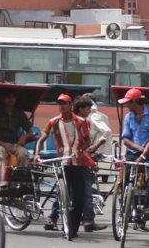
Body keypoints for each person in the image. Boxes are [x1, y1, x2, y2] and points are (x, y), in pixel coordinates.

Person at [35, 94, 95, 236]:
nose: (61, 106)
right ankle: (63, 222)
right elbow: (41, 138)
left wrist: (80, 150)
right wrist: (37, 154)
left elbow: (88, 141)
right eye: (59, 104)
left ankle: (73, 228)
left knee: (80, 198)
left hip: (79, 163)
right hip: (63, 163)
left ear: (70, 106)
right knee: (64, 194)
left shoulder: (81, 122)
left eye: (65, 104)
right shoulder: (53, 122)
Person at [119, 87, 149, 230]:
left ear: (136, 102)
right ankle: (125, 205)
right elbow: (125, 139)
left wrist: (144, 155)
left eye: (129, 103)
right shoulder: (128, 117)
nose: (127, 106)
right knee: (126, 178)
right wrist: (140, 150)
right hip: (134, 152)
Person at [72, 97, 108, 232]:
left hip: (73, 160)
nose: (89, 111)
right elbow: (80, 147)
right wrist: (91, 161)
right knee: (86, 191)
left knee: (68, 190)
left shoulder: (72, 121)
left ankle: (53, 217)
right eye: (87, 109)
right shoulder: (80, 123)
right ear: (81, 109)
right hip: (79, 161)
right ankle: (88, 220)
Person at [0, 91, 34, 185]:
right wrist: (4, 144)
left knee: (24, 153)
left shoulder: (19, 113)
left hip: (14, 144)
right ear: (3, 99)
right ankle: (4, 183)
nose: (10, 100)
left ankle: (20, 182)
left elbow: (30, 132)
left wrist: (24, 137)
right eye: (8, 97)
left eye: (12, 97)